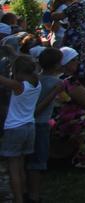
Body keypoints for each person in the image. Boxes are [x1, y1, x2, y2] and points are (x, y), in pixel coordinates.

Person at [27, 47, 65, 203]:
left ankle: (25, 190)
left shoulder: (35, 79)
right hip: (41, 124)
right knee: (38, 161)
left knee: (28, 158)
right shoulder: (57, 83)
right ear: (57, 65)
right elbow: (58, 101)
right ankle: (34, 195)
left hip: (29, 124)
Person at [1, 55, 40, 203]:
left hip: (15, 128)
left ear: (19, 72)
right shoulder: (37, 84)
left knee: (13, 167)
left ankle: (18, 199)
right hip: (30, 127)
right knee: (21, 165)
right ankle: (23, 195)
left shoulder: (19, 86)